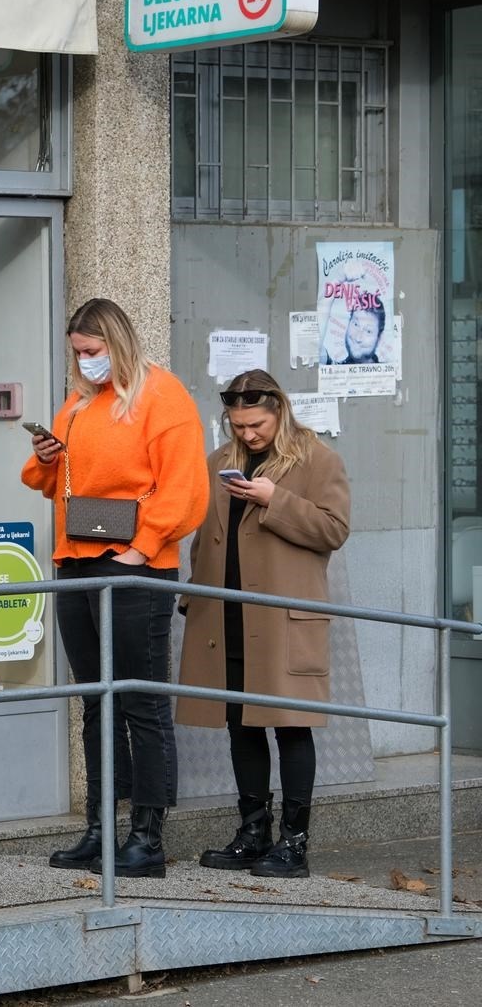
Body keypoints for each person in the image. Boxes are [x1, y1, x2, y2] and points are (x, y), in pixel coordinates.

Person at [21, 298, 208, 878]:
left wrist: (139, 549)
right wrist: (45, 455)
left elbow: (186, 489)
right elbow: (51, 483)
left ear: (118, 344)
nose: (85, 362)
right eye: (78, 353)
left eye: (93, 352)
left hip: (131, 567)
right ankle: (101, 827)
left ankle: (146, 835)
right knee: (97, 700)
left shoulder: (162, 395)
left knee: (141, 701)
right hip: (75, 560)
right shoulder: (79, 403)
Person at [178, 370, 350, 878]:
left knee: (291, 727)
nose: (247, 434)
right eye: (237, 425)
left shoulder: (318, 459)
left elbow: (334, 529)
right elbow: (204, 536)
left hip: (282, 619)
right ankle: (253, 833)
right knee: (240, 726)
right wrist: (194, 596)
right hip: (226, 615)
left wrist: (275, 498)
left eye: (256, 424)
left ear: (280, 410)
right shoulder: (218, 462)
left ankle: (293, 843)